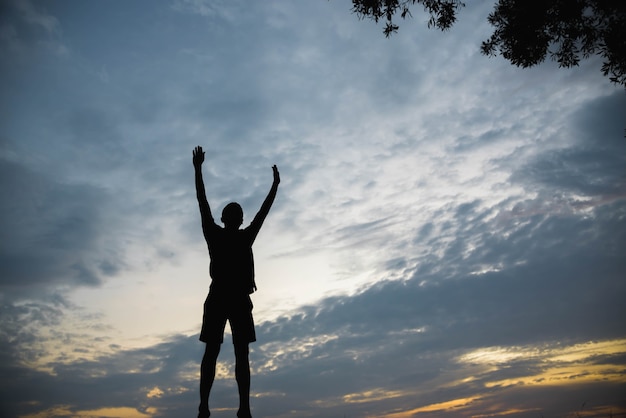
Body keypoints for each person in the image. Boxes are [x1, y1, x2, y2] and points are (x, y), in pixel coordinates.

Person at [193, 145, 280, 418]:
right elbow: (263, 211)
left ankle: (209, 407)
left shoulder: (218, 235)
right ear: (240, 220)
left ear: (226, 219)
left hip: (222, 296)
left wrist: (198, 170)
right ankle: (241, 408)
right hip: (231, 297)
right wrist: (275, 185)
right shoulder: (243, 237)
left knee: (215, 352)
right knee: (238, 354)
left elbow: (202, 201)